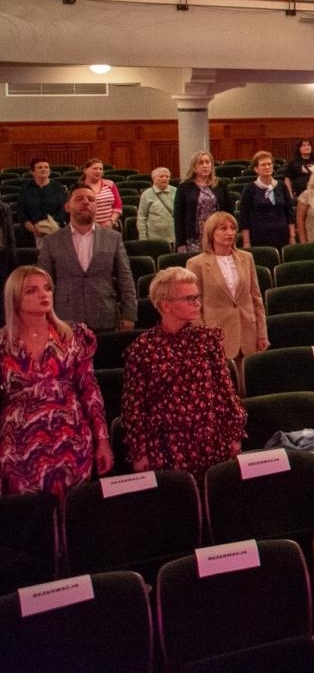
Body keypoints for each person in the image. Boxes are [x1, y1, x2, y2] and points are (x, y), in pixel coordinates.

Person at [120, 267, 247, 476]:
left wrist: (234, 434)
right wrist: (139, 452)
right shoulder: (142, 349)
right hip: (165, 448)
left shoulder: (207, 339)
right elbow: (133, 407)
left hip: (212, 440)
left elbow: (226, 392)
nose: (197, 303)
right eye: (189, 298)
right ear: (166, 306)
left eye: (197, 297)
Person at [1, 266, 113, 496]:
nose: (44, 295)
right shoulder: (3, 343)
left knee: (72, 514)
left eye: (47, 288)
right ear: (14, 298)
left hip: (70, 436)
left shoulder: (73, 335)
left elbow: (90, 391)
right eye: (32, 291)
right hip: (19, 444)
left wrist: (103, 441)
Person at [36, 184, 136, 332]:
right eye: (79, 199)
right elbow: (43, 283)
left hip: (105, 316)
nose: (86, 202)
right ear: (67, 207)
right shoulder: (51, 241)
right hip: (65, 319)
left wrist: (129, 315)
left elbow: (125, 278)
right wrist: (44, 316)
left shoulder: (113, 238)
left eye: (91, 199)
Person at [186, 212, 268, 362]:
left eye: (232, 228)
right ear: (211, 233)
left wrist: (262, 333)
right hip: (217, 337)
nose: (230, 232)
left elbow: (256, 298)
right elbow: (195, 307)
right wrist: (203, 339)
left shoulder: (246, 258)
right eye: (223, 228)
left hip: (248, 333)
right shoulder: (196, 264)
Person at [174, 152, 231, 254]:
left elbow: (229, 212)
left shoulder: (220, 184)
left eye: (207, 162)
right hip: (193, 238)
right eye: (201, 163)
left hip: (217, 235)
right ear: (194, 167)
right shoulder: (184, 187)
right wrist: (180, 242)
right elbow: (178, 217)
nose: (205, 165)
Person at [236, 151, 295, 249]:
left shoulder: (282, 186)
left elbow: (289, 213)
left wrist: (292, 236)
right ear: (256, 169)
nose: (267, 167)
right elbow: (244, 217)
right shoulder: (250, 188)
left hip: (282, 235)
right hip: (258, 236)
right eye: (263, 165)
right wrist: (246, 242)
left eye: (269, 164)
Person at [18, 158, 68, 248]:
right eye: (40, 167)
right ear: (32, 172)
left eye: (46, 167)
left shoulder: (58, 188)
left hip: (54, 229)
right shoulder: (25, 189)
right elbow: (22, 212)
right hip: (31, 232)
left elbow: (63, 209)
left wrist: (48, 226)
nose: (44, 169)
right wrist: (33, 229)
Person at [135, 167, 177, 245]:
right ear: (154, 179)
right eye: (161, 176)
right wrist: (143, 239)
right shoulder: (146, 194)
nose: (165, 178)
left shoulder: (176, 191)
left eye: (167, 176)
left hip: (173, 238)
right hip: (154, 240)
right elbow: (141, 217)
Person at [77, 159, 122, 230]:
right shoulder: (79, 187)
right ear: (86, 170)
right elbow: (77, 210)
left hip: (110, 226)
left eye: (101, 169)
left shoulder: (110, 184)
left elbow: (118, 206)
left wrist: (111, 221)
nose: (98, 171)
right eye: (95, 168)